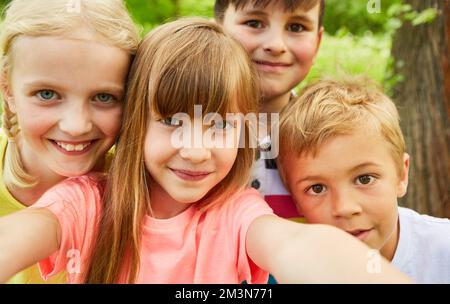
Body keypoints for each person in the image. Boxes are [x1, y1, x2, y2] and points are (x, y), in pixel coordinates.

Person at [0, 18, 410, 284]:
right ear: (134, 123)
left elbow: (298, 247)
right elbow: (20, 235)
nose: (195, 150)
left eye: (218, 125)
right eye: (172, 122)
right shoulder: (88, 205)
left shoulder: (237, 214)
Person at [0, 0, 139, 283]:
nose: (76, 125)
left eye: (104, 97)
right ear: (8, 89)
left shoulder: (141, 192)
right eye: (47, 94)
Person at [277, 77, 450, 283]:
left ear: (401, 175)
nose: (344, 208)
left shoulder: (443, 250)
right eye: (317, 188)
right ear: (295, 201)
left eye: (365, 179)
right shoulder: (294, 273)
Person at [215, 0, 325, 222]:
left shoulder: (331, 138)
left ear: (317, 42)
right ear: (217, 29)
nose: (275, 45)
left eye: (296, 27)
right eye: (254, 23)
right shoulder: (186, 132)